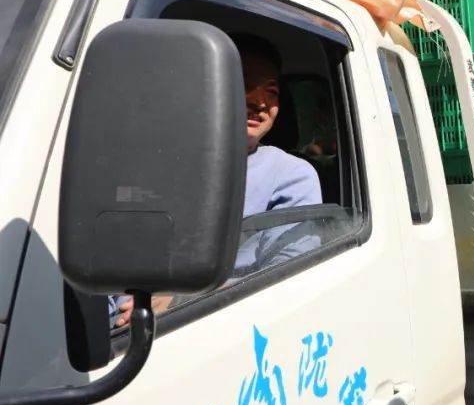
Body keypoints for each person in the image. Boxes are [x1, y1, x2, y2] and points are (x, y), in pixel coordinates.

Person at [113, 32, 322, 327]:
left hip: (224, 325)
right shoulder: (154, 163)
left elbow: (288, 274)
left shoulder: (290, 175)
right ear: (210, 86)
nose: (260, 102)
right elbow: (116, 249)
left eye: (272, 91)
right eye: (245, 85)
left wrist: (185, 300)